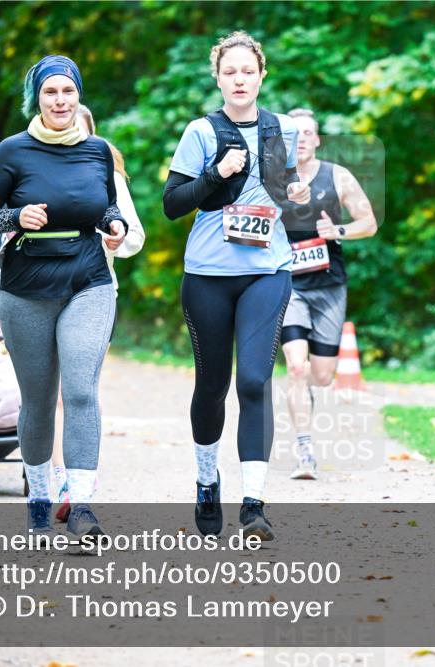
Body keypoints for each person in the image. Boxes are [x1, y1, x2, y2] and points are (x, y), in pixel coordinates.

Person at [0, 55, 127, 536]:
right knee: (37, 400)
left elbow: (104, 207)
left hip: (88, 280)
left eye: (68, 92)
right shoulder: (12, 152)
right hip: (27, 287)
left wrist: (114, 225)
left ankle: (80, 506)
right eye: (50, 93)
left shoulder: (99, 150)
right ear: (36, 99)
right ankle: (40, 497)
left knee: (81, 390)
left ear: (79, 96)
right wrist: (16, 218)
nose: (61, 101)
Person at [163, 31, 310, 541]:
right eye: (230, 72)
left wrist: (296, 192)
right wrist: (215, 173)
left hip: (268, 269)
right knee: (213, 385)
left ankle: (254, 505)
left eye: (248, 70)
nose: (240, 79)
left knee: (253, 381)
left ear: (262, 74)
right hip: (207, 274)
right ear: (218, 78)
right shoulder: (202, 131)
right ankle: (207, 481)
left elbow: (287, 196)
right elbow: (173, 203)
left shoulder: (283, 129)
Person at [50, 104, 145, 522]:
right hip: (39, 291)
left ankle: (77, 480)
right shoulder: (36, 168)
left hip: (93, 293)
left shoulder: (108, 176)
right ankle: (57, 480)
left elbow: (135, 235)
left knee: (79, 390)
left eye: (82, 130)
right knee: (47, 394)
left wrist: (115, 242)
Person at [279, 108, 378, 480]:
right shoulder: (272, 179)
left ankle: (308, 410)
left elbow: (368, 222)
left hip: (329, 285)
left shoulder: (337, 176)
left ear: (317, 140)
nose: (301, 139)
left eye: (308, 133)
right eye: (294, 133)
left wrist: (337, 231)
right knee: (296, 366)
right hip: (288, 286)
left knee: (321, 375)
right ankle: (305, 452)